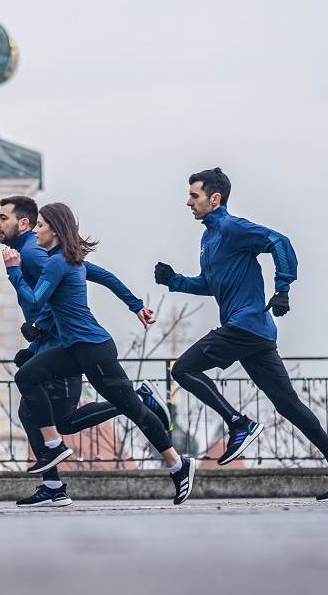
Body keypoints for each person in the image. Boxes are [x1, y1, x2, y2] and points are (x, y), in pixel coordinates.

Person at [155, 167, 328, 502]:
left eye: (193, 196)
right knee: (288, 405)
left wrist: (283, 288)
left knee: (183, 369)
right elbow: (212, 284)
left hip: (244, 325)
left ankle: (239, 424)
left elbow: (279, 242)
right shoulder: (209, 237)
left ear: (214, 198)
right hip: (255, 334)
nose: (188, 202)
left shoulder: (230, 227)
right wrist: (175, 281)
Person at [12, 203, 197, 505]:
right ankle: (54, 444)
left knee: (132, 409)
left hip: (93, 350)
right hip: (76, 348)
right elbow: (107, 277)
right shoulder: (66, 260)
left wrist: (14, 271)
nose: (34, 231)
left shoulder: (59, 263)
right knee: (27, 376)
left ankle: (178, 464)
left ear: (55, 231)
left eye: (40, 226)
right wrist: (135, 304)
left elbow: (33, 302)